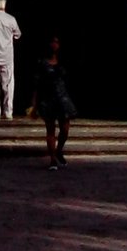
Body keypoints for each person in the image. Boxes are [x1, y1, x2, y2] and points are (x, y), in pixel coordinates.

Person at [34, 36, 77, 169]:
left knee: (65, 129)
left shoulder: (64, 61)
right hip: (48, 98)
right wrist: (34, 103)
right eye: (52, 41)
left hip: (63, 98)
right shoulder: (42, 63)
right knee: (50, 129)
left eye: (57, 42)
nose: (54, 44)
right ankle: (52, 158)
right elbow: (37, 83)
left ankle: (59, 150)